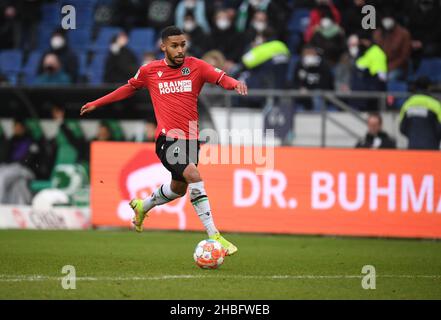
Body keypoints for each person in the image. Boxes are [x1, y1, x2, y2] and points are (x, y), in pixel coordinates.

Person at [79, 26, 248, 256]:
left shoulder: (196, 66)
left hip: (191, 140)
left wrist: (234, 83)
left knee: (179, 188)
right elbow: (128, 89)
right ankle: (214, 235)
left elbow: (220, 77)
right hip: (167, 139)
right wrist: (97, 103)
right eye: (174, 46)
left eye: (182, 45)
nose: (180, 50)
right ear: (163, 47)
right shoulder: (150, 71)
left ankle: (143, 206)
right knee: (194, 176)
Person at [399, 77, 441, 150]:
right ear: (429, 87)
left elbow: (402, 128)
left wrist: (414, 136)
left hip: (413, 148)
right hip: (432, 149)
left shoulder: (407, 104)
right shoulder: (436, 105)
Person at [373, 12, 412, 81]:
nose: (387, 21)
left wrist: (389, 67)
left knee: (391, 77)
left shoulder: (403, 34)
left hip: (397, 67)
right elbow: (374, 52)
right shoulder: (377, 33)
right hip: (379, 66)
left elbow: (404, 56)